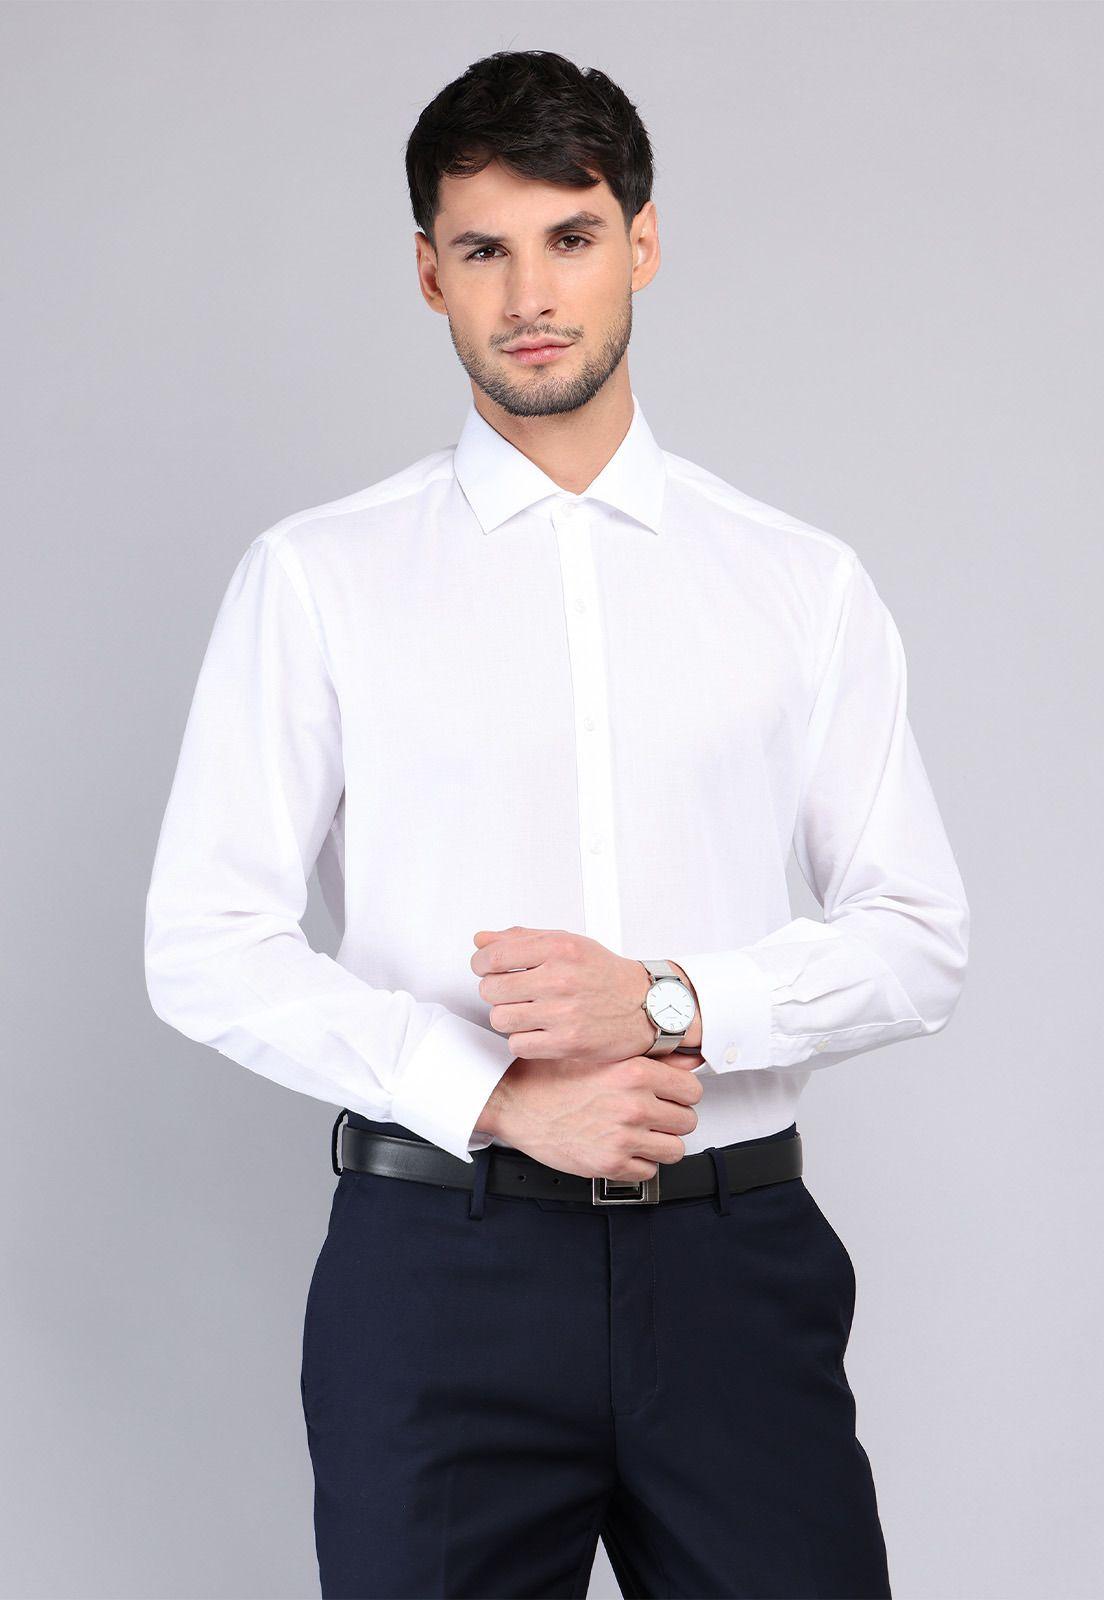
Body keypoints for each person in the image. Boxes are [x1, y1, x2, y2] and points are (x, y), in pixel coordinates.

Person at [143, 47, 969, 1600]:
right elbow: (205, 943)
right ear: (428, 275)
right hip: (438, 1276)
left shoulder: (798, 583)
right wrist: (500, 1094)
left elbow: (920, 938)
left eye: (571, 238)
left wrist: (667, 1001)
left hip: (734, 1276)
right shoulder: (320, 579)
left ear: (641, 242)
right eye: (484, 250)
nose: (530, 294)